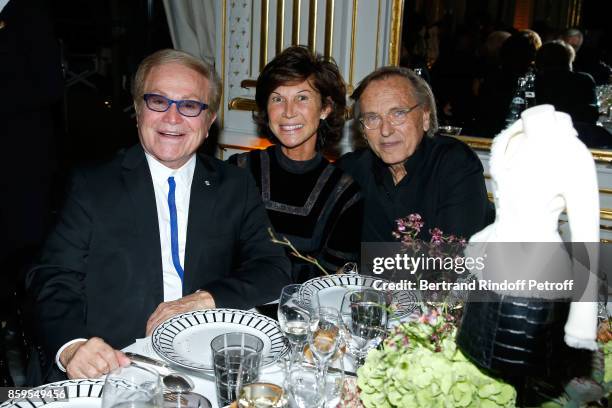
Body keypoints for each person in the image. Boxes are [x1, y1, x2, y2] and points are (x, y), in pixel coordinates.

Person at [25, 49, 291, 383]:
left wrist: (205, 299)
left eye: (190, 105)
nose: (172, 118)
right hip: (113, 364)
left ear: (209, 122)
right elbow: (52, 277)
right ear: (137, 110)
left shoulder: (233, 184)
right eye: (158, 101)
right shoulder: (93, 184)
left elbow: (274, 268)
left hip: (202, 364)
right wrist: (73, 346)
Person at [228, 46, 362, 282]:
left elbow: (331, 280)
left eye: (302, 98)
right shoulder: (238, 170)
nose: (288, 112)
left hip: (304, 313)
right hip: (235, 306)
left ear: (325, 109)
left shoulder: (344, 193)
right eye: (277, 99)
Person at [337, 66, 490, 243]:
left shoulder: (454, 164)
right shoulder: (352, 171)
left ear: (425, 118)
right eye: (372, 118)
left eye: (398, 113)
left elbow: (454, 260)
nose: (385, 130)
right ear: (363, 129)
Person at [535, 40, 598, 124]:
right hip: (579, 132)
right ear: (569, 59)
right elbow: (592, 114)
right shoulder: (584, 79)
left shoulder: (534, 81)